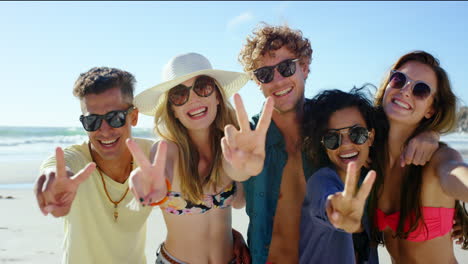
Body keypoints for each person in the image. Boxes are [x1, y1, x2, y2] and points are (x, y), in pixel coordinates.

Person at [237, 23, 442, 264]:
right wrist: (230, 234)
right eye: (265, 74)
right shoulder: (246, 138)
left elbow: (392, 133)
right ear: (257, 81)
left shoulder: (336, 128)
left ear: (304, 67)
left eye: (285, 67)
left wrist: (429, 135)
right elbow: (218, 192)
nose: (278, 80)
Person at [129, 52, 273, 264]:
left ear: (217, 96)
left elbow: (239, 200)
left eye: (203, 87)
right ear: (172, 110)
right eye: (179, 94)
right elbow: (158, 175)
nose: (193, 99)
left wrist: (246, 170)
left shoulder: (229, 145)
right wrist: (150, 186)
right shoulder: (166, 150)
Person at [34, 67, 155, 263]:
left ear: (133, 116)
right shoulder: (77, 160)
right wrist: (52, 179)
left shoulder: (151, 157)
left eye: (115, 118)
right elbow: (57, 166)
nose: (104, 131)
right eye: (92, 121)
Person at [369, 50, 468, 263]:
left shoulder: (437, 158)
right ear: (387, 85)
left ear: (431, 109)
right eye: (399, 79)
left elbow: (456, 173)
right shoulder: (370, 155)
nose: (405, 91)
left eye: (420, 90)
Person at [300, 88, 382, 264]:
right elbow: (326, 202)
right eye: (332, 138)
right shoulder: (319, 181)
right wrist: (337, 213)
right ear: (323, 145)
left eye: (357, 134)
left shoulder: (370, 183)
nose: (345, 144)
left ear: (371, 137)